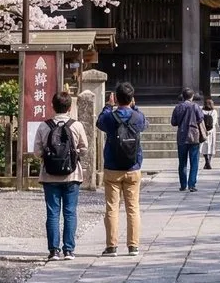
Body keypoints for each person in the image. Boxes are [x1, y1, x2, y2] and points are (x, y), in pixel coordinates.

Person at [34, 90, 89, 261]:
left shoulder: (44, 126)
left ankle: (53, 251)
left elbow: (37, 152)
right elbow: (84, 148)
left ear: (53, 106)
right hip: (72, 175)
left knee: (52, 212)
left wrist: (48, 157)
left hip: (49, 175)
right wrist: (74, 154)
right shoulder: (76, 125)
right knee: (70, 212)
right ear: (70, 107)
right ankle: (69, 250)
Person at [96, 81, 146, 257]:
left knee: (112, 207)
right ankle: (133, 246)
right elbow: (144, 123)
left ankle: (112, 246)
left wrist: (108, 106)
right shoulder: (137, 117)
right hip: (133, 167)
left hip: (112, 167)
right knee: (133, 208)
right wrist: (135, 106)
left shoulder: (109, 118)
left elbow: (99, 122)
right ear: (131, 98)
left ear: (115, 98)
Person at [169, 87, 205, 192]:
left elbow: (173, 122)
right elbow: (200, 118)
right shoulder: (195, 106)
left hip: (182, 135)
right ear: (192, 96)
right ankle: (192, 184)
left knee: (182, 162)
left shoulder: (178, 107)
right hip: (194, 136)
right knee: (194, 162)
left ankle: (183, 184)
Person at [200, 93, 218, 170]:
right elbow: (214, 122)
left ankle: (206, 161)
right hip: (212, 131)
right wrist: (210, 130)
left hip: (203, 130)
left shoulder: (201, 111)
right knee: (211, 145)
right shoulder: (214, 112)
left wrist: (204, 130)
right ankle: (209, 161)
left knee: (204, 145)